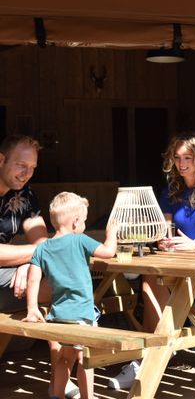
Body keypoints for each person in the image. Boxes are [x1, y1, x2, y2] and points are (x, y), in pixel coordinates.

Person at [108, 131, 195, 390]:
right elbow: (165, 230)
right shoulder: (171, 191)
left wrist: (194, 244)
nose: (181, 163)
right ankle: (156, 349)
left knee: (152, 279)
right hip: (178, 262)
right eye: (177, 157)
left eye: (188, 157)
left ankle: (148, 356)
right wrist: (163, 241)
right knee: (150, 276)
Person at [0, 135, 78, 397]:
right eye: (21, 165)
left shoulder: (25, 194)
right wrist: (35, 256)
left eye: (32, 168)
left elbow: (43, 242)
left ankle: (60, 379)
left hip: (7, 278)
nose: (27, 174)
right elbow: (43, 249)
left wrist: (32, 263)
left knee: (63, 289)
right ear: (1, 160)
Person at [23, 192, 117, 399]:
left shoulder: (42, 248)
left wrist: (32, 308)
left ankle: (56, 395)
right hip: (82, 314)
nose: (84, 224)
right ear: (75, 221)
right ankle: (88, 397)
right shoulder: (80, 240)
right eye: (84, 220)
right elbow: (109, 252)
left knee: (65, 358)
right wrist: (112, 234)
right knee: (85, 359)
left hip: (58, 315)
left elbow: (33, 279)